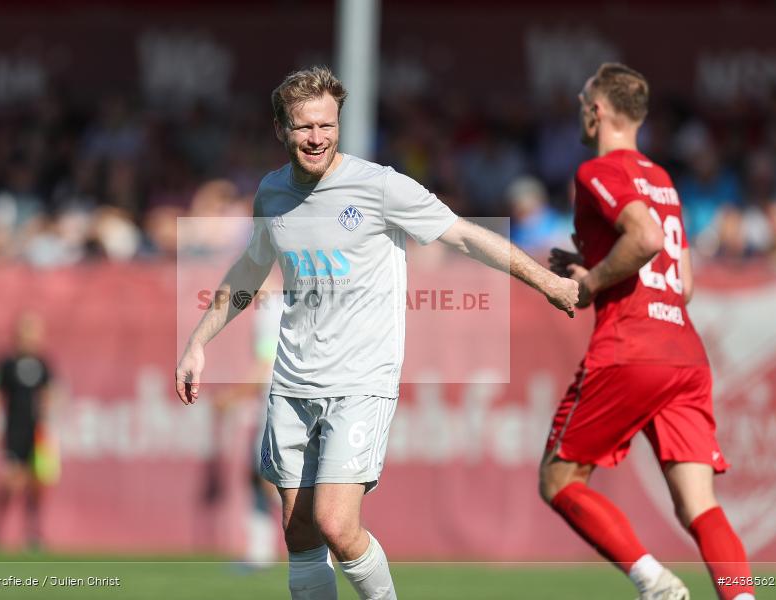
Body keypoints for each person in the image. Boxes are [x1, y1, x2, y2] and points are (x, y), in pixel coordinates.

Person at [176, 65, 579, 600]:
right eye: (303, 127)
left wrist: (546, 280)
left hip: (361, 381)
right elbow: (249, 272)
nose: (316, 138)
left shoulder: (379, 186)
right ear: (281, 130)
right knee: (298, 530)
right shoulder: (272, 194)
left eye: (326, 125)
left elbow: (462, 235)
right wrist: (197, 343)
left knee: (337, 526)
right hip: (292, 382)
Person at [539, 63, 754, 600]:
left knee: (559, 481)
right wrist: (594, 261)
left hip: (630, 348)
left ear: (598, 110)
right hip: (683, 351)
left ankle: (655, 582)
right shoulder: (661, 179)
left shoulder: (598, 171)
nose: (580, 110)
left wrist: (591, 283)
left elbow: (646, 239)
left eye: (583, 100)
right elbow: (681, 285)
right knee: (698, 506)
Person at [0, 312, 55, 550]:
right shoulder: (7, 364)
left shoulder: (43, 365)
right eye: (26, 332)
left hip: (37, 433)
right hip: (14, 432)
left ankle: (33, 534)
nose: (31, 338)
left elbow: (51, 394)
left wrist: (49, 417)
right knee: (12, 481)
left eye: (34, 333)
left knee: (35, 485)